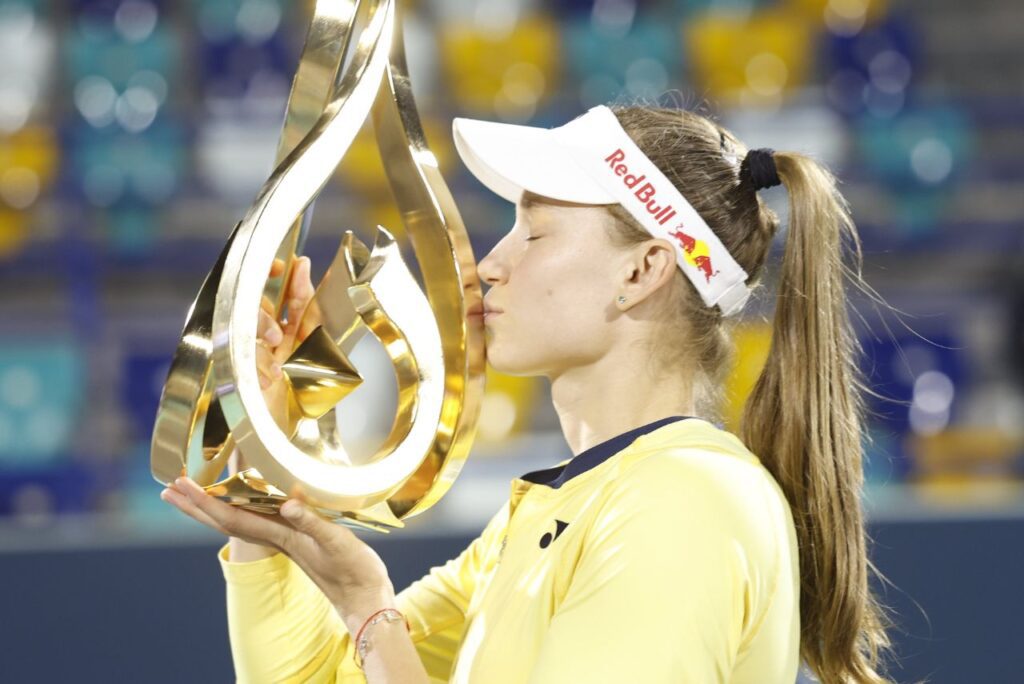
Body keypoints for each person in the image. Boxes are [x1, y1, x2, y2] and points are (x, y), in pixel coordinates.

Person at [161, 103, 892, 683]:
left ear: (642, 272)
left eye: (535, 234)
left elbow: (371, 642)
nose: (487, 265)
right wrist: (268, 465)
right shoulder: (546, 518)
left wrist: (370, 612)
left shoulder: (686, 502)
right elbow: (318, 679)